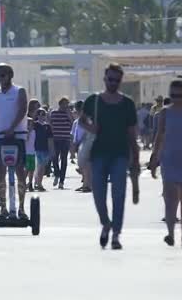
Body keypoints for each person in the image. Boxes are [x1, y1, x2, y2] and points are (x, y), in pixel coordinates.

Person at [81, 63, 139, 250]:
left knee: (118, 194)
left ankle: (116, 234)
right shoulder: (94, 100)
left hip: (120, 154)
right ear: (105, 79)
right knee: (98, 193)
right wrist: (92, 128)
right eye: (110, 79)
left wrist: (136, 158)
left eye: (116, 80)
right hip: (98, 153)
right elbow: (81, 120)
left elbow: (132, 133)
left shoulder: (127, 103)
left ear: (120, 81)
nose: (113, 83)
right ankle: (105, 223)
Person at [149, 79, 182, 248]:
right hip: (169, 159)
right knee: (170, 199)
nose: (176, 98)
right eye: (172, 95)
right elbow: (159, 136)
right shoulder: (164, 113)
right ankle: (171, 233)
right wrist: (154, 158)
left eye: (178, 95)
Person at [0, 63, 29, 219]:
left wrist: (12, 128)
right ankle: (3, 207)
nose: (1, 78)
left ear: (10, 75)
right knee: (1, 173)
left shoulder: (19, 91)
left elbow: (23, 109)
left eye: (3, 75)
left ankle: (21, 208)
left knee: (20, 172)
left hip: (17, 135)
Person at [49, 97, 73, 190]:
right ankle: (56, 174)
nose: (66, 106)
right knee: (54, 158)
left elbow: (72, 123)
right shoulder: (54, 113)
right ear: (60, 104)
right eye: (65, 104)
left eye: (67, 104)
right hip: (56, 139)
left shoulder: (68, 114)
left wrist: (69, 114)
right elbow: (50, 123)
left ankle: (61, 181)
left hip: (65, 139)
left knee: (64, 160)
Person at [71, 101, 91, 193]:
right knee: (85, 165)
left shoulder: (81, 120)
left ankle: (87, 185)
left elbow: (78, 135)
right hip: (88, 143)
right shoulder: (88, 118)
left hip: (84, 143)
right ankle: (86, 184)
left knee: (84, 165)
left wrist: (74, 144)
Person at [33, 108, 54, 192]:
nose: (42, 116)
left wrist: (51, 150)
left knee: (43, 167)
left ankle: (38, 182)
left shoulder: (47, 126)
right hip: (36, 148)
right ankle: (38, 183)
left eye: (44, 114)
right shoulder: (34, 125)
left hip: (45, 149)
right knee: (39, 166)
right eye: (40, 114)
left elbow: (50, 139)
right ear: (37, 115)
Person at [25, 99, 41, 192]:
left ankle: (30, 183)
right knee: (27, 167)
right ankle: (23, 182)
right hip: (28, 143)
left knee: (32, 167)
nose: (38, 107)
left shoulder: (37, 117)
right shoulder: (28, 117)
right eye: (36, 105)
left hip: (33, 143)